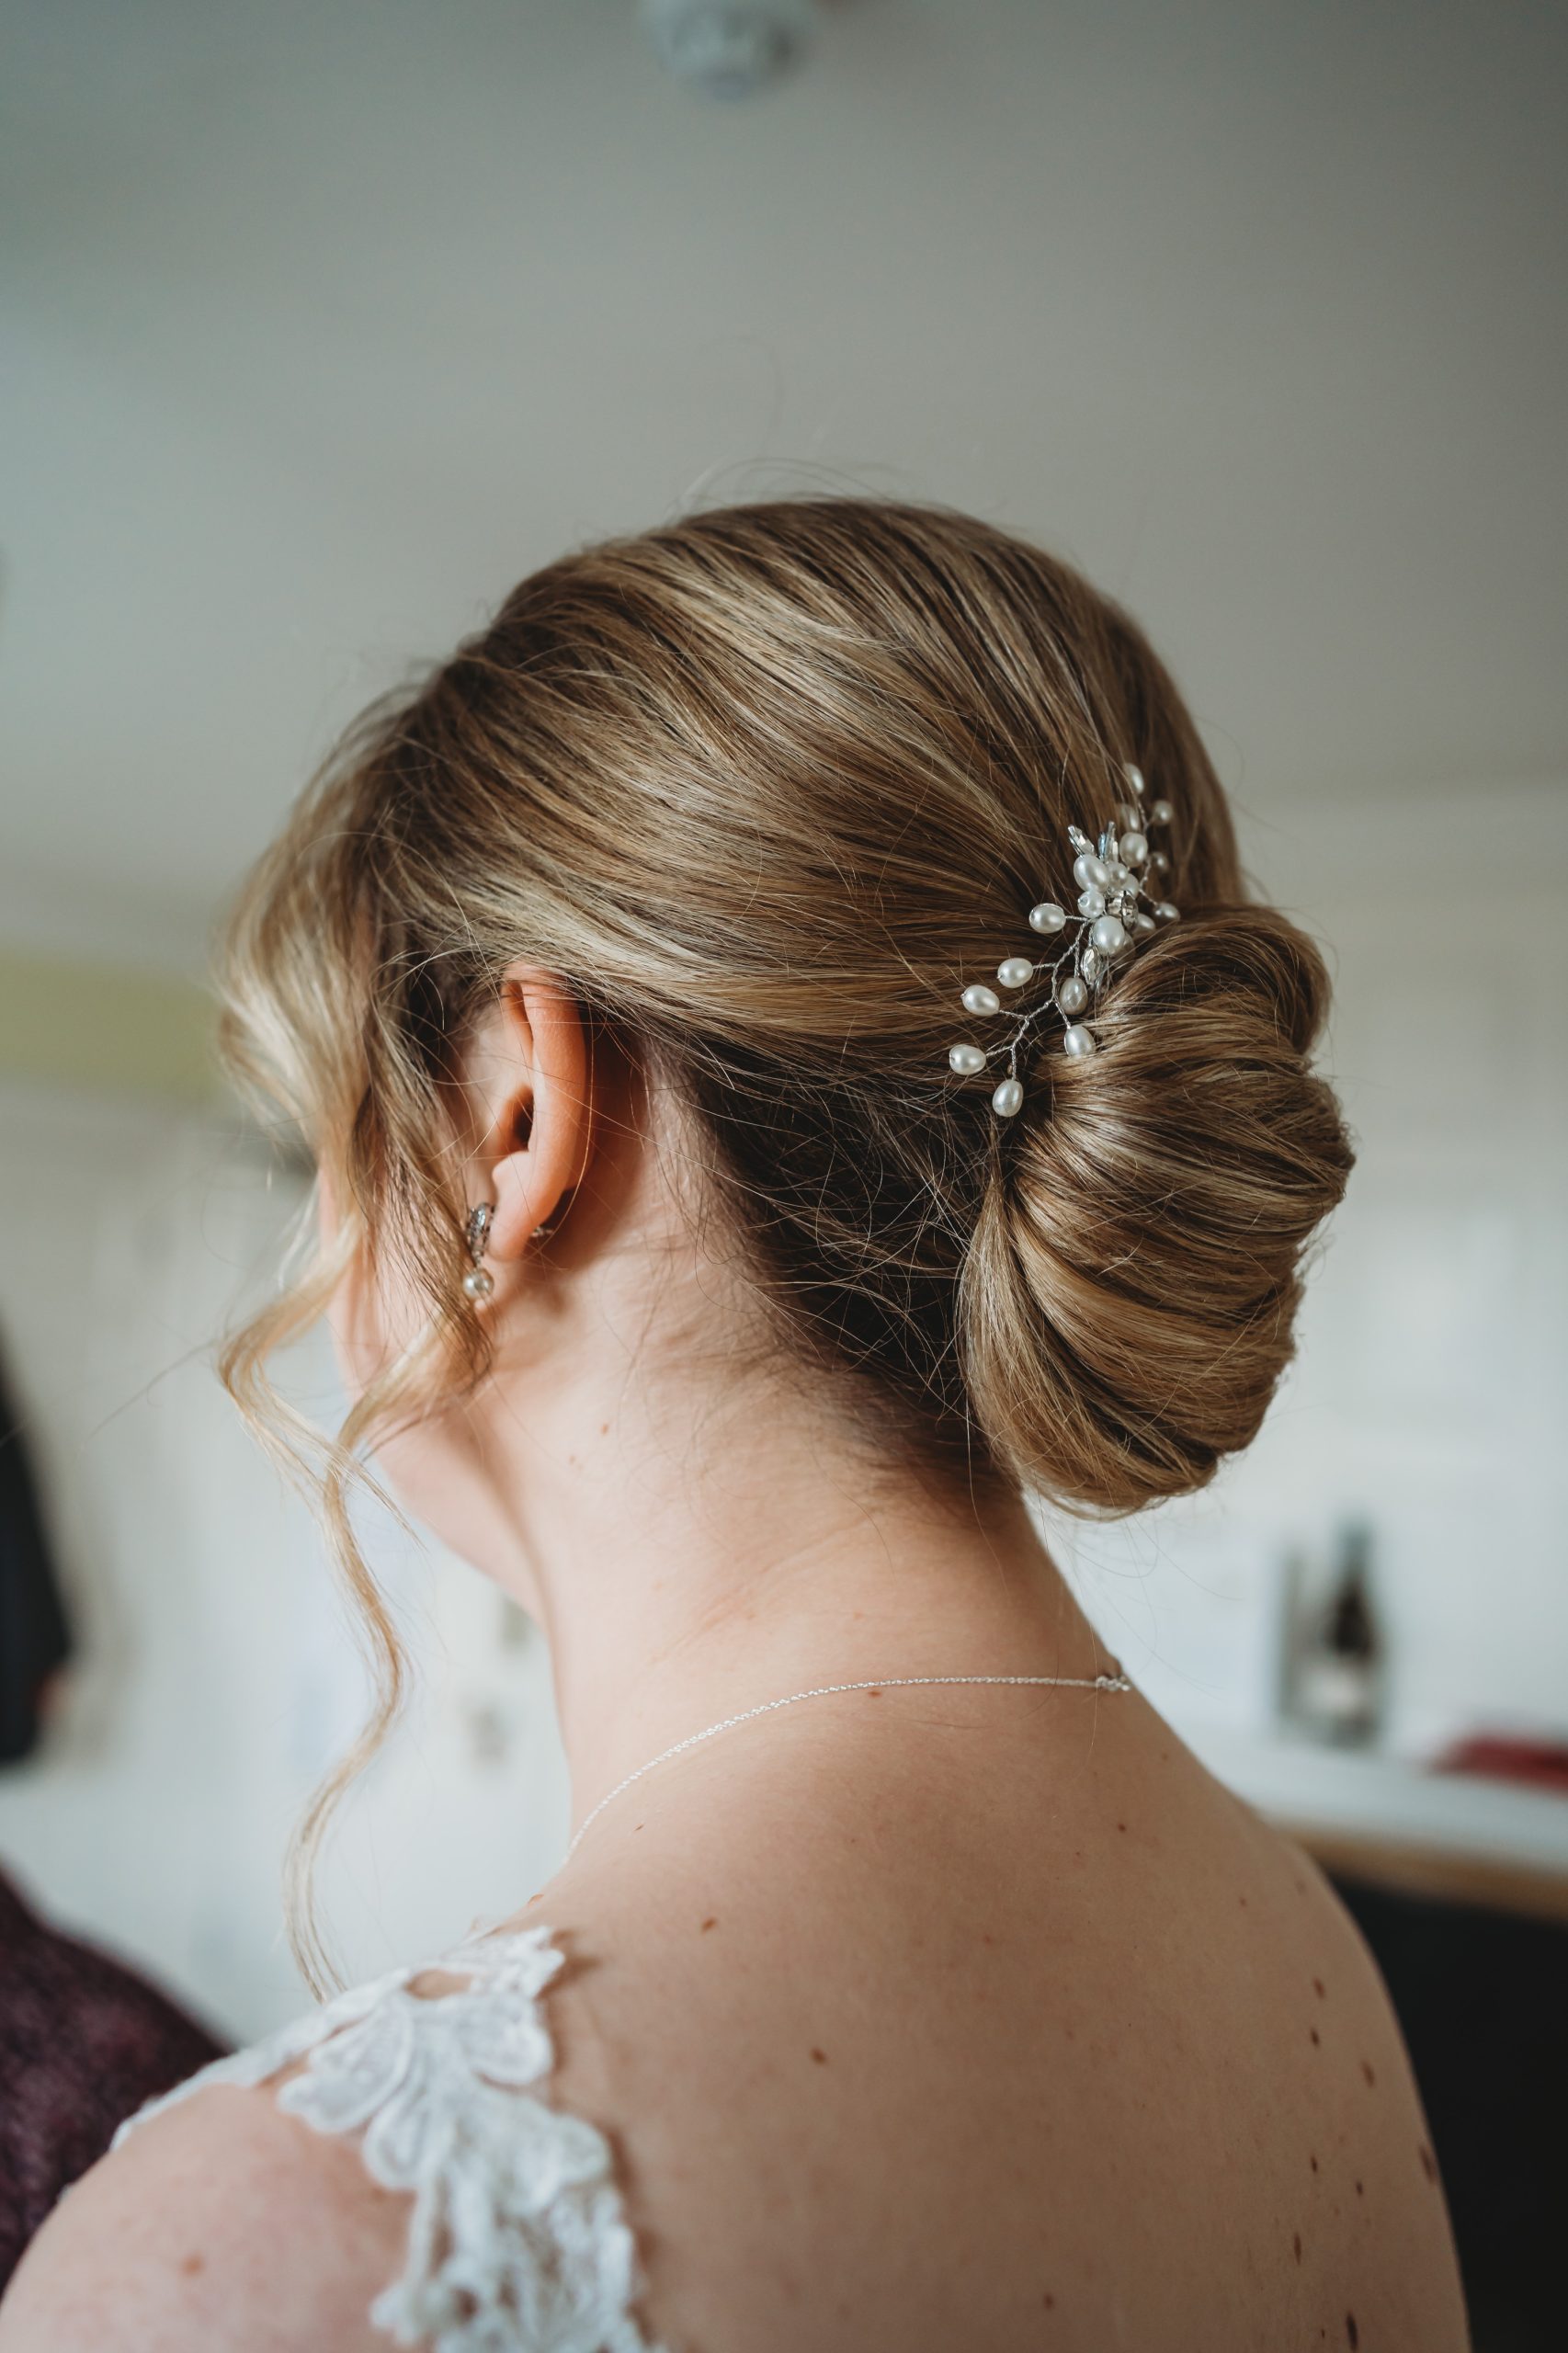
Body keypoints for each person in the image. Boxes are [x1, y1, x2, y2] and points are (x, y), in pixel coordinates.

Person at [0, 499, 1470, 2350]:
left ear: (518, 1118)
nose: (322, 1227)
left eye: (334, 1135)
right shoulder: (1310, 1976)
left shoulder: (275, 2255)